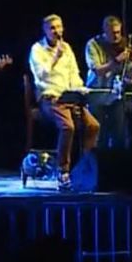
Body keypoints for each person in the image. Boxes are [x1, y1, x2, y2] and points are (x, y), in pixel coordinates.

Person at [28, 14, 99, 189]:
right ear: (45, 30)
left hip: (69, 97)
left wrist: (80, 87)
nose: (57, 31)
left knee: (93, 125)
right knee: (68, 127)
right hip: (50, 98)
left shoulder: (66, 48)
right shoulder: (37, 49)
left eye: (59, 27)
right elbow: (40, 75)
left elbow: (73, 73)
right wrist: (55, 58)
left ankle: (85, 165)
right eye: (52, 28)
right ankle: (63, 171)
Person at [84, 16, 132, 148]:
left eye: (118, 32)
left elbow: (126, 71)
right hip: (97, 94)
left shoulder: (122, 45)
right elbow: (97, 70)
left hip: (115, 95)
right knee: (100, 137)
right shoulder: (93, 45)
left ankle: (118, 159)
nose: (117, 36)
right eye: (113, 33)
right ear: (105, 31)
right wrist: (116, 60)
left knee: (119, 136)